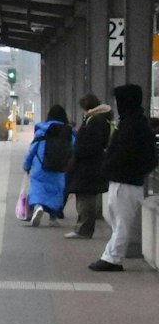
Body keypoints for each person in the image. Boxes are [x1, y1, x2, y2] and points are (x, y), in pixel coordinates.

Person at [92, 82, 155, 272]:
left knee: (121, 223)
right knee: (118, 222)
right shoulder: (135, 122)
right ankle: (110, 256)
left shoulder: (131, 125)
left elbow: (123, 153)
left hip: (125, 181)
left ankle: (113, 259)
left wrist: (107, 166)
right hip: (125, 180)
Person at [65, 94, 112, 239]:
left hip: (88, 166)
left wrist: (78, 153)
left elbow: (89, 145)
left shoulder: (95, 121)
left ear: (86, 108)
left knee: (86, 197)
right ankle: (82, 228)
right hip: (91, 165)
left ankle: (84, 230)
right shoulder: (99, 119)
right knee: (85, 196)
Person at [22, 104, 73, 226]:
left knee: (38, 187)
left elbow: (32, 150)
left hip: (40, 166)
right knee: (56, 191)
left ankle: (38, 207)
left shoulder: (42, 131)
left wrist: (26, 165)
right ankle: (53, 217)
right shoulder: (68, 133)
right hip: (60, 168)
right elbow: (73, 149)